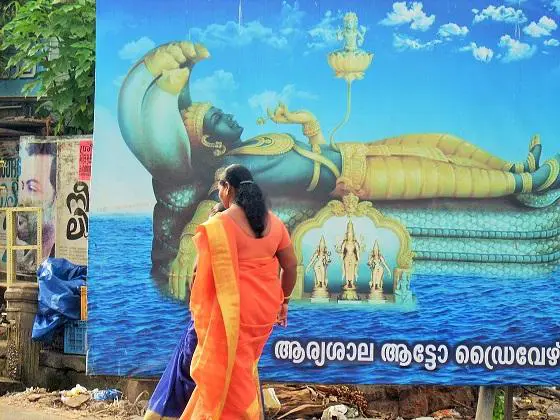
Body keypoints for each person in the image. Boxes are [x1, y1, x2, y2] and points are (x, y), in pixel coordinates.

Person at [118, 41, 560, 289]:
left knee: (439, 143)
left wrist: (298, 121)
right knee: (444, 174)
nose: (228, 116)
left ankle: (513, 165)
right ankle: (521, 180)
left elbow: (314, 142)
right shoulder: (231, 172)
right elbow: (212, 210)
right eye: (217, 119)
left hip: (354, 148)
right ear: (211, 141)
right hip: (356, 178)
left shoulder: (259, 140)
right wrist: (185, 257)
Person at [180, 164, 297, 419]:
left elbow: (199, 273)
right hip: (264, 311)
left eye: (219, 187)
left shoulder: (219, 224)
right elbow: (290, 266)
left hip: (230, 311)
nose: (219, 192)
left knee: (226, 371)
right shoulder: (275, 223)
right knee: (243, 368)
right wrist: (284, 302)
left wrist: (200, 302)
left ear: (227, 188)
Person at [144, 203, 225, 420]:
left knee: (178, 385)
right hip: (202, 329)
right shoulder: (214, 254)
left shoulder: (208, 251)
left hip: (200, 328)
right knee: (184, 382)